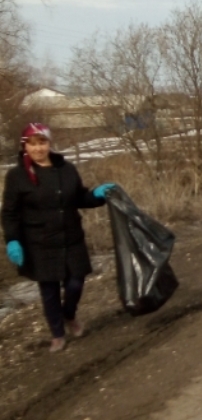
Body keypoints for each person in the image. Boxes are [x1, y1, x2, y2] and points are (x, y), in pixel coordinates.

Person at [1, 123, 116, 352]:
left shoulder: (66, 169)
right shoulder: (17, 176)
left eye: (42, 143)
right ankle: (57, 334)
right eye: (32, 144)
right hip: (40, 242)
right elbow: (10, 212)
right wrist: (12, 239)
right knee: (49, 289)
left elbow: (79, 197)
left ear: (49, 144)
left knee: (76, 282)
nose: (38, 149)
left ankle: (69, 314)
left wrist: (96, 194)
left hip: (70, 236)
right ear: (25, 147)